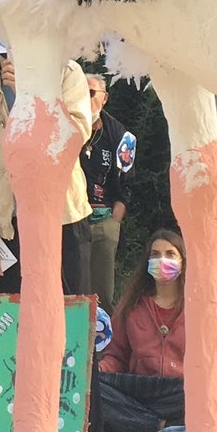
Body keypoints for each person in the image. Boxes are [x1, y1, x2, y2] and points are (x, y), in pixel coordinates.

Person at [0, 44, 94, 294]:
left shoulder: (68, 74)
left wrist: (31, 94)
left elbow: (74, 139)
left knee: (68, 321)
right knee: (3, 326)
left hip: (64, 225)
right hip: (4, 232)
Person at [96, 229, 217, 432]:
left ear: (183, 262)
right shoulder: (131, 306)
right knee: (94, 387)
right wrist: (99, 370)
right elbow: (117, 356)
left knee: (203, 394)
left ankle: (138, 421)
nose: (162, 260)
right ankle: (161, 425)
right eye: (155, 255)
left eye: (170, 254)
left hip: (179, 389)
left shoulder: (200, 308)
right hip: (138, 386)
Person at [77, 71, 131, 309]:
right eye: (79, 92)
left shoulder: (119, 134)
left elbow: (127, 180)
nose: (84, 98)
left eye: (90, 93)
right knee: (73, 286)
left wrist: (117, 215)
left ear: (105, 97)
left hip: (103, 216)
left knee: (101, 291)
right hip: (70, 217)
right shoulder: (64, 125)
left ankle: (103, 341)